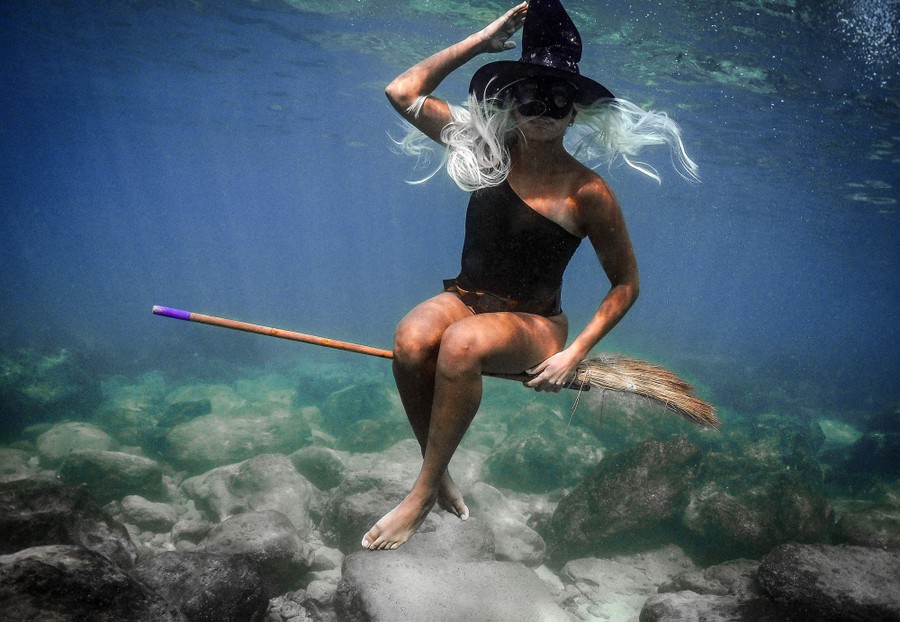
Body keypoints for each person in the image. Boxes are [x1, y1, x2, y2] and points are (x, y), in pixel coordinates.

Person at [362, 0, 697, 551]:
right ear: (511, 101)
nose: (542, 107)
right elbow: (402, 92)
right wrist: (483, 40)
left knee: (462, 347)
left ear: (575, 113)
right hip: (467, 297)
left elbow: (626, 283)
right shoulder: (484, 147)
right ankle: (436, 473)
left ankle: (420, 496)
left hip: (536, 323)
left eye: (558, 98)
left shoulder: (588, 192)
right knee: (411, 338)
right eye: (530, 94)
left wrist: (575, 353)